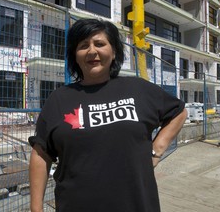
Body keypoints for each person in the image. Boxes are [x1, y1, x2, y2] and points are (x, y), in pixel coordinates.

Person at [28, 18, 187, 212]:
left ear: (113, 52)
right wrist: (36, 209)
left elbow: (178, 111)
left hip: (137, 204)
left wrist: (156, 150)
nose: (92, 51)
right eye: (83, 46)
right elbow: (40, 154)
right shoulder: (59, 99)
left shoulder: (137, 89)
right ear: (75, 56)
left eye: (100, 44)